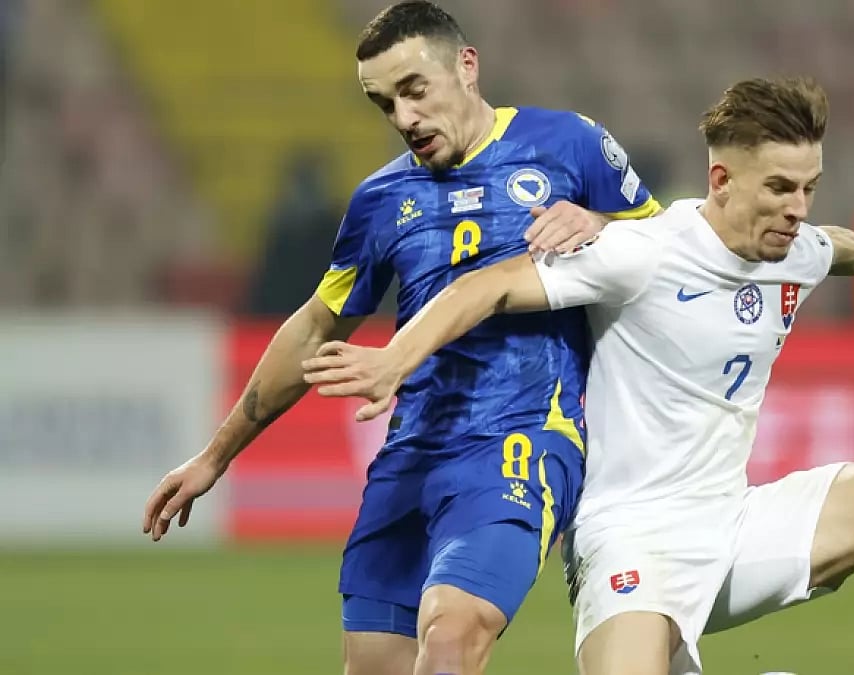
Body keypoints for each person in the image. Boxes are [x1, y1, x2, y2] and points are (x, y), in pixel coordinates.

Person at [301, 76, 854, 675]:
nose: (799, 209)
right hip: (628, 540)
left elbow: (844, 252)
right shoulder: (637, 252)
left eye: (811, 187)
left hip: (736, 522)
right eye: (781, 188)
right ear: (720, 180)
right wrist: (394, 357)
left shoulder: (797, 244)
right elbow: (489, 285)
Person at [140, 2, 662, 675]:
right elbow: (315, 326)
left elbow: (674, 252)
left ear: (466, 67)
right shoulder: (380, 200)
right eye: (383, 103)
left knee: (449, 644)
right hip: (410, 460)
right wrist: (216, 455)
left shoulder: (569, 145)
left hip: (521, 439)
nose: (404, 117)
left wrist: (600, 222)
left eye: (415, 90)